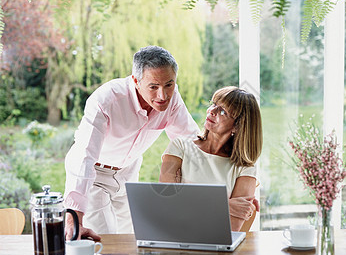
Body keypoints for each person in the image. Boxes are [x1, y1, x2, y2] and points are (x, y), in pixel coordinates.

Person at [64, 46, 200, 240]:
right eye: (153, 87)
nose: (163, 96)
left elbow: (191, 142)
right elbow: (84, 155)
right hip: (94, 175)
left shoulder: (172, 98)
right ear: (136, 81)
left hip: (128, 172)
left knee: (135, 239)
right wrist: (74, 217)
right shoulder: (106, 100)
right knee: (106, 241)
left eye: (169, 84)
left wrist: (230, 184)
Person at [159, 86, 262, 231]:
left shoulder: (245, 166)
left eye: (222, 111)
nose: (211, 111)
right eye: (213, 104)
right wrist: (224, 205)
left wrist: (186, 199)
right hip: (175, 237)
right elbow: (166, 203)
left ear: (237, 126)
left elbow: (231, 228)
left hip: (218, 248)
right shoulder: (180, 146)